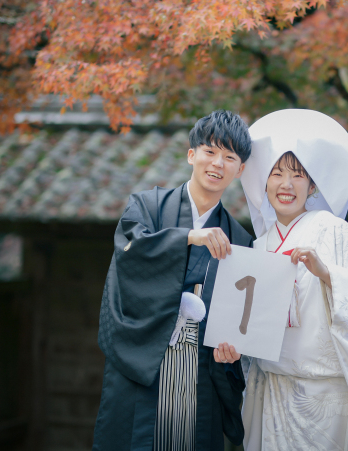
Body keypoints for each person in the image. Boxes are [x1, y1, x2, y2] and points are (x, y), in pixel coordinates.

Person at [238, 109, 348, 451]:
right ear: (263, 183)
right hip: (276, 390)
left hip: (329, 394)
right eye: (277, 174)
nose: (286, 184)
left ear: (312, 185)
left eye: (297, 176)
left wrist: (326, 273)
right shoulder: (258, 245)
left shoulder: (334, 231)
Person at [93, 110, 254, 451]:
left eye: (229, 157)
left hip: (200, 367)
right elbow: (129, 254)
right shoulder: (147, 206)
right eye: (210, 151)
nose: (218, 164)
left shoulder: (240, 241)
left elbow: (240, 318)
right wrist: (188, 237)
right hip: (146, 355)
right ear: (191, 154)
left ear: (240, 170)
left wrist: (234, 353)